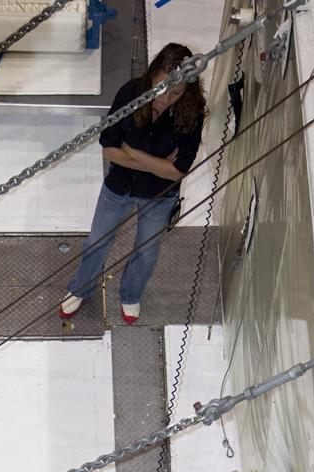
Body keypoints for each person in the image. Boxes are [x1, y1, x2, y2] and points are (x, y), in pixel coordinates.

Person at [60, 43, 206, 325]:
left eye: (175, 93)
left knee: (147, 250)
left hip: (159, 196)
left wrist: (133, 153)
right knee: (97, 241)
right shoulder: (130, 93)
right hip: (120, 185)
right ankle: (80, 288)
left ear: (187, 91)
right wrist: (159, 164)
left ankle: (131, 294)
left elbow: (178, 172)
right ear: (151, 77)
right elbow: (109, 150)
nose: (165, 99)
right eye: (160, 89)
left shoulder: (193, 112)